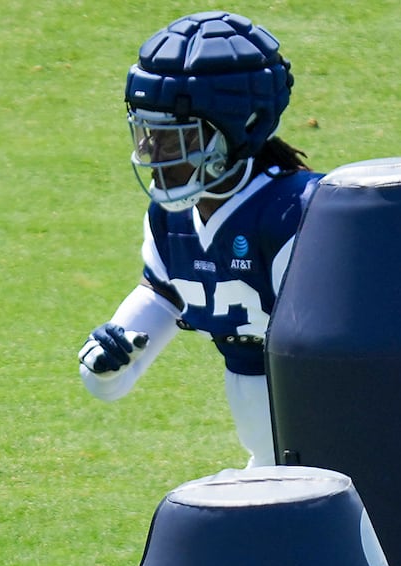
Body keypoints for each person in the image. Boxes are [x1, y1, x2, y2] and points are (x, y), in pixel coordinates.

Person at [76, 11, 316, 468]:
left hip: (351, 454)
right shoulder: (172, 223)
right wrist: (106, 363)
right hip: (273, 462)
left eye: (176, 139)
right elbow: (112, 380)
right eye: (149, 135)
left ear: (241, 126)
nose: (155, 155)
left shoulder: (299, 214)